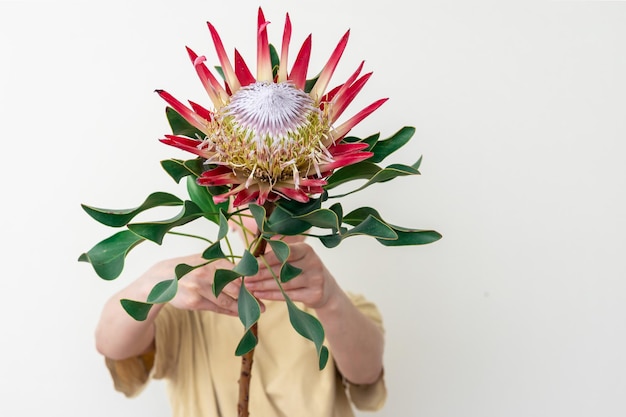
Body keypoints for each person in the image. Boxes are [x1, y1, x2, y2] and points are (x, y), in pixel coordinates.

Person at [95, 221, 387, 417]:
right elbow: (112, 344)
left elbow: (366, 374)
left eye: (291, 188)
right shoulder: (189, 304)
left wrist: (331, 299)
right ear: (225, 202)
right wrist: (155, 284)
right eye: (258, 183)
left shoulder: (339, 305)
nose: (274, 201)